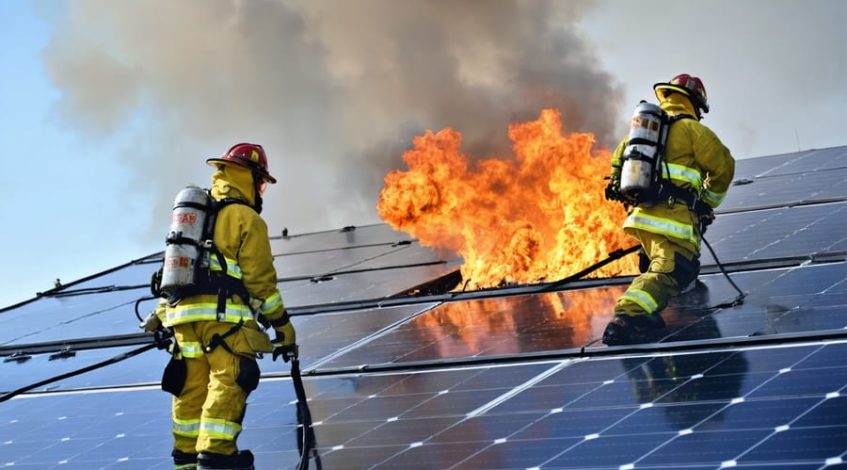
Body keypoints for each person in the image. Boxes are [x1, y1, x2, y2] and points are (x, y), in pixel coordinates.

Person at [145, 143, 297, 470]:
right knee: (230, 379)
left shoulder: (193, 218)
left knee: (190, 389)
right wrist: (282, 326)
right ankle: (217, 456)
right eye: (261, 183)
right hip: (224, 321)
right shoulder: (245, 219)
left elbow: (174, 270)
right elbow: (260, 282)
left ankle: (186, 460)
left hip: (182, 320)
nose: (261, 192)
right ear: (249, 177)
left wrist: (159, 316)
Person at [602, 74, 735, 345]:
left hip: (642, 218)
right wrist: (706, 203)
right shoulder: (693, 130)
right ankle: (628, 316)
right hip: (672, 219)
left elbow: (617, 162)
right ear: (695, 104)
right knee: (673, 270)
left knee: (663, 266)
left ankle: (647, 310)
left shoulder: (644, 131)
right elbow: (724, 168)